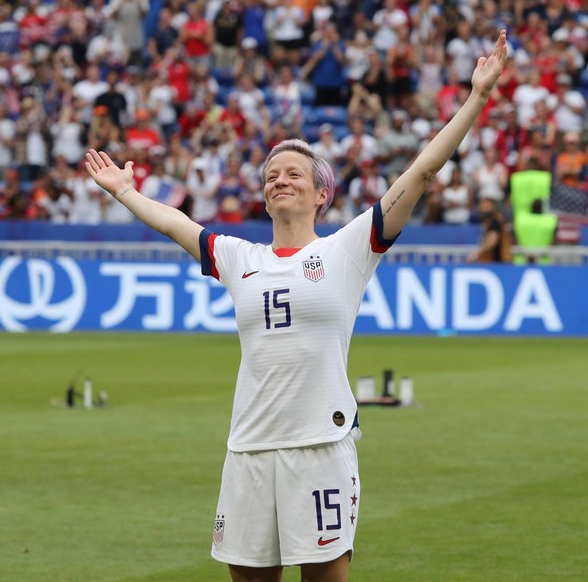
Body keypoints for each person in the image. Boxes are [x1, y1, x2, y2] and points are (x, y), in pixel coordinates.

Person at [85, 31, 508, 582]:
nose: (280, 180)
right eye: (271, 176)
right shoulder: (239, 257)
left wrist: (476, 97)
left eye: (293, 174)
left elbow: (422, 172)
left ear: (320, 194)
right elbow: (175, 223)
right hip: (250, 447)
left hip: (321, 446)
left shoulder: (349, 248)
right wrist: (123, 191)